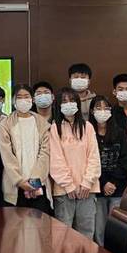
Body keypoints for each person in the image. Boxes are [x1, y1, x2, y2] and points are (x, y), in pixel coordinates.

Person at [49, 87, 101, 239]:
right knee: (63, 236)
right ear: (58, 105)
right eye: (64, 101)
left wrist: (87, 182)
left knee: (86, 234)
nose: (68, 104)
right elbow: (56, 160)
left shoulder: (87, 127)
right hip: (64, 191)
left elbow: (94, 157)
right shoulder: (55, 128)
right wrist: (68, 185)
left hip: (87, 189)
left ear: (77, 103)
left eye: (72, 100)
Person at [0, 84, 52, 213]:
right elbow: (7, 155)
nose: (23, 100)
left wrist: (34, 182)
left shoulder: (42, 123)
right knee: (16, 224)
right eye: (19, 97)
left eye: (26, 96)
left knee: (40, 223)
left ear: (32, 99)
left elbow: (45, 154)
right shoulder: (5, 124)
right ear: (13, 100)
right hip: (15, 186)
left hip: (39, 185)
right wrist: (20, 181)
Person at [89, 95, 127, 244]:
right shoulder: (88, 133)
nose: (102, 111)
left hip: (117, 187)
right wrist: (104, 183)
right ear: (92, 111)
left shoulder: (120, 133)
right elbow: (90, 162)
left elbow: (125, 160)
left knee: (116, 228)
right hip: (97, 188)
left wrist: (112, 182)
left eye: (105, 108)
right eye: (98, 108)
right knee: (99, 229)